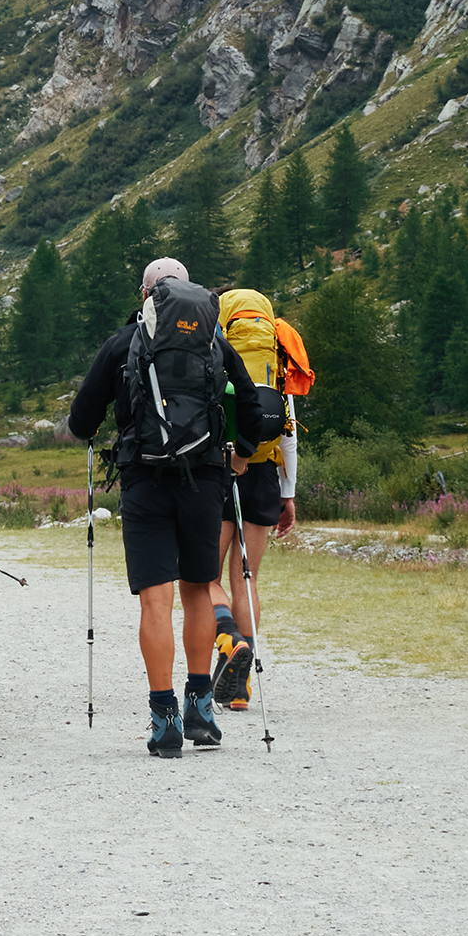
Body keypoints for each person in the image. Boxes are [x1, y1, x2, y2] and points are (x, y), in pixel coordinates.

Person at [57, 258, 262, 756]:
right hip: (205, 483)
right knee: (197, 591)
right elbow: (254, 415)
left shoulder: (123, 343)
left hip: (144, 481)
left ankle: (163, 718)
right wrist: (237, 457)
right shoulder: (216, 342)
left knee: (156, 601)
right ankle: (201, 707)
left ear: (144, 293)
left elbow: (82, 421)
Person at [209, 289, 298, 709]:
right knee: (247, 577)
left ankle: (231, 645)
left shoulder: (217, 345)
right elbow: (289, 430)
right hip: (264, 473)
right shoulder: (277, 357)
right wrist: (288, 493)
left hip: (224, 468)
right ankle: (242, 688)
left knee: (206, 578)